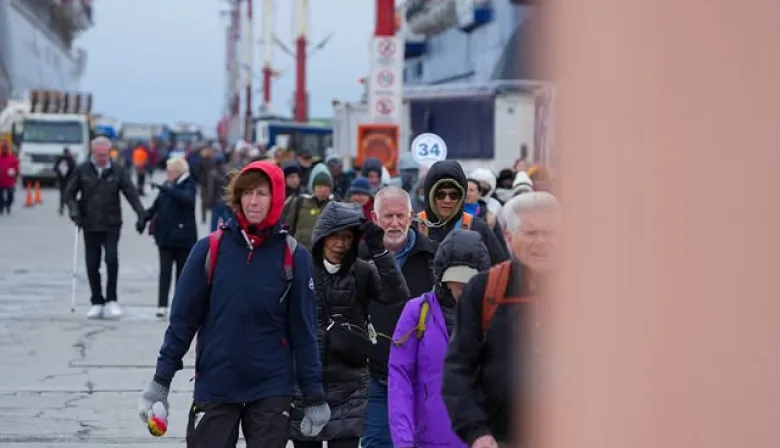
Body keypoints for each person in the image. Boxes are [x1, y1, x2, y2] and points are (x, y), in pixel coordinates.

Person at [138, 161, 330, 447]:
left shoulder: (294, 256)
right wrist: (160, 382)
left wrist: (314, 396)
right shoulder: (209, 250)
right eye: (247, 192)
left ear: (275, 197)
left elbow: (304, 333)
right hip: (217, 384)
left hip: (271, 388)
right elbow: (182, 323)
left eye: (262, 193)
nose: (253, 201)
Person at [442, 192, 560, 448]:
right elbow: (458, 369)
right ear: (508, 238)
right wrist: (476, 432)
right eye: (530, 233)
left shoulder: (588, 291)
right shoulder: (485, 290)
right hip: (501, 439)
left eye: (549, 233)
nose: (541, 241)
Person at [290, 201, 409, 448]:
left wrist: (380, 250)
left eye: (347, 238)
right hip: (306, 384)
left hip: (350, 384)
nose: (340, 244)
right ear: (321, 237)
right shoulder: (300, 270)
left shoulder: (362, 271)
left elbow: (397, 295)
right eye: (334, 236)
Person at [388, 229, 491, 448]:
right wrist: (403, 441)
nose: (462, 287)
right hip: (428, 440)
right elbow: (399, 379)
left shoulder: (497, 315)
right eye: (456, 279)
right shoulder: (416, 311)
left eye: (470, 280)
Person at [359, 186, 438, 448]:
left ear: (411, 216)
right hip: (375, 377)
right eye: (388, 217)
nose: (395, 224)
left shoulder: (433, 258)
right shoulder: (358, 259)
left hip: (422, 380)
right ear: (374, 218)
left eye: (400, 216)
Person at [65, 136, 145, 320]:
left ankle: (112, 299)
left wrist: (141, 214)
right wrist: (74, 211)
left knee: (111, 259)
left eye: (105, 154)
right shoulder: (83, 169)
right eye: (99, 155)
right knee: (92, 263)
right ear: (93, 153)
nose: (102, 158)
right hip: (89, 223)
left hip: (112, 222)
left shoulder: (117, 170)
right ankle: (96, 300)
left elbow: (130, 193)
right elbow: (69, 194)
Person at [416, 160, 508, 264]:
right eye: (440, 195)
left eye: (453, 195)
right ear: (430, 196)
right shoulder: (414, 227)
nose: (447, 200)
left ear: (461, 196)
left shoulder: (477, 228)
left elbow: (501, 267)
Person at [140, 157, 197, 318]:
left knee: (182, 274)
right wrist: (143, 218)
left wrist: (166, 189)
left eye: (170, 171)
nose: (167, 174)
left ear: (178, 172)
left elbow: (187, 200)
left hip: (183, 238)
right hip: (165, 237)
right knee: (164, 272)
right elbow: (156, 206)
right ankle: (162, 305)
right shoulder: (168, 186)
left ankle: (180, 306)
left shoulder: (189, 185)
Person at [283, 162, 334, 252]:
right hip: (299, 251)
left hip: (324, 254)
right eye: (319, 186)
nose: (323, 190)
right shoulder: (300, 201)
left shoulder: (335, 206)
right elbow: (289, 226)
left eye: (326, 186)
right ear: (313, 187)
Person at [54, 148, 76, 215]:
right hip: (68, 180)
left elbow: (55, 168)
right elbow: (75, 169)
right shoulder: (70, 159)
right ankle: (66, 208)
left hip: (63, 180)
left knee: (63, 195)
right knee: (68, 195)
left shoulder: (61, 159)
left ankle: (62, 208)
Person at [0, 142, 19, 215]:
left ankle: (8, 205)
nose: (4, 150)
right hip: (0, 181)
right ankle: (1, 208)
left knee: (10, 195)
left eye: (5, 148)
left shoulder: (12, 158)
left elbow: (17, 168)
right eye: (3, 148)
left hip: (9, 181)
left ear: (8, 149)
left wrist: (15, 174)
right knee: (0, 196)